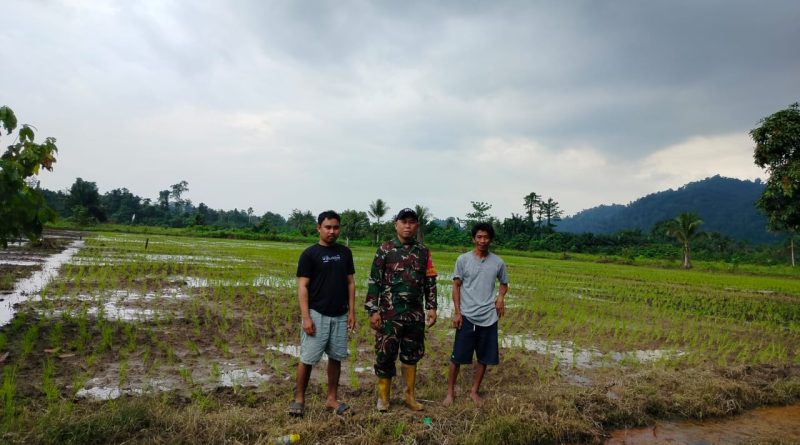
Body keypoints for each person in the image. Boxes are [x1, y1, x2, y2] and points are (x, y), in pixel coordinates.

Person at [365, 208, 437, 412]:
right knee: (385, 354)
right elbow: (374, 281)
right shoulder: (385, 250)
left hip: (414, 315)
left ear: (417, 226)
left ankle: (409, 396)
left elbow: (430, 281)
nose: (407, 226)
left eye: (412, 222)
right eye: (403, 222)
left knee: (411, 355)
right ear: (396, 224)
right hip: (389, 315)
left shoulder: (424, 252)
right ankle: (383, 398)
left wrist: (432, 307)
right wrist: (373, 310)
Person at [288, 210, 356, 417]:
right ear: (319, 228)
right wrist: (306, 317)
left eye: (336, 227)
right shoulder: (309, 254)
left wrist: (352, 312)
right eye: (327, 227)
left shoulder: (345, 253)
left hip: (340, 314)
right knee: (307, 358)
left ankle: (331, 399)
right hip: (316, 314)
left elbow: (350, 283)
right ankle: (299, 399)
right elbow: (302, 287)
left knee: (336, 357)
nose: (332, 231)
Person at [442, 222, 509, 408]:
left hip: (489, 317)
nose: (482, 240)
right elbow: (456, 286)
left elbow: (504, 283)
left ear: (490, 239)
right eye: (479, 237)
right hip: (467, 316)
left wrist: (500, 298)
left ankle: (474, 391)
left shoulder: (498, 262)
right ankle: (450, 392)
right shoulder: (462, 260)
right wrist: (457, 312)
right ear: (473, 239)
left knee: (484, 358)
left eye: (486, 237)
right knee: (457, 358)